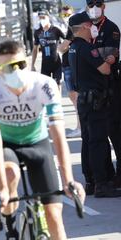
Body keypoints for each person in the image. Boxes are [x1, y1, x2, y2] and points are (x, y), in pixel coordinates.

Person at [0, 40, 85, 239]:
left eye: (21, 65)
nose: (17, 71)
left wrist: (68, 179)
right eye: (10, 67)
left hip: (38, 143)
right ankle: (11, 228)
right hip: (8, 144)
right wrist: (1, 189)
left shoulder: (44, 85)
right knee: (10, 173)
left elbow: (58, 134)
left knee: (54, 217)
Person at [68, 12, 121, 197]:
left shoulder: (73, 48)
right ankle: (101, 183)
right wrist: (108, 60)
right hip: (95, 101)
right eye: (90, 25)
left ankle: (91, 181)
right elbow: (105, 70)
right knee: (98, 142)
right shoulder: (85, 48)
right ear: (83, 27)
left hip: (85, 100)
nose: (93, 28)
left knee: (88, 141)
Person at [86, 0, 121, 188]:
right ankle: (102, 175)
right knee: (98, 134)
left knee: (115, 130)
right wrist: (95, 55)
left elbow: (110, 57)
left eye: (97, 4)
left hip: (110, 85)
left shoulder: (110, 28)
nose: (94, 7)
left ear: (104, 6)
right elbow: (68, 50)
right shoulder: (85, 25)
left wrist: (89, 54)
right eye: (90, 4)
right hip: (92, 88)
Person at [58, 9, 82, 138]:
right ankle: (80, 126)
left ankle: (80, 127)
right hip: (67, 64)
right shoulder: (66, 27)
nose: (66, 16)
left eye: (68, 14)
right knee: (73, 97)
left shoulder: (73, 29)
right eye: (64, 14)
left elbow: (61, 48)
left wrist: (63, 46)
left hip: (71, 66)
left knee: (76, 98)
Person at [31, 10, 66, 90]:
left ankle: (58, 102)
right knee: (46, 87)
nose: (41, 20)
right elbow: (35, 49)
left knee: (57, 84)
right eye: (40, 18)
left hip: (56, 62)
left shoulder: (56, 29)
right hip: (45, 64)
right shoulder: (37, 32)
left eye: (43, 17)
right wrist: (32, 65)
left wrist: (65, 52)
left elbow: (68, 40)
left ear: (48, 17)